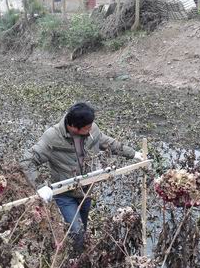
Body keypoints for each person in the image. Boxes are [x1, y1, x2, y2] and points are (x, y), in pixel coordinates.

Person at [20, 102, 143, 253]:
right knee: (77, 231)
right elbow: (27, 161)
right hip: (65, 193)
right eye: (87, 128)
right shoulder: (53, 137)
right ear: (73, 127)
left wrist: (133, 154)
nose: (91, 130)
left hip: (86, 190)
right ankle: (72, 265)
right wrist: (40, 186)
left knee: (82, 229)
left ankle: (78, 256)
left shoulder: (91, 129)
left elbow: (107, 142)